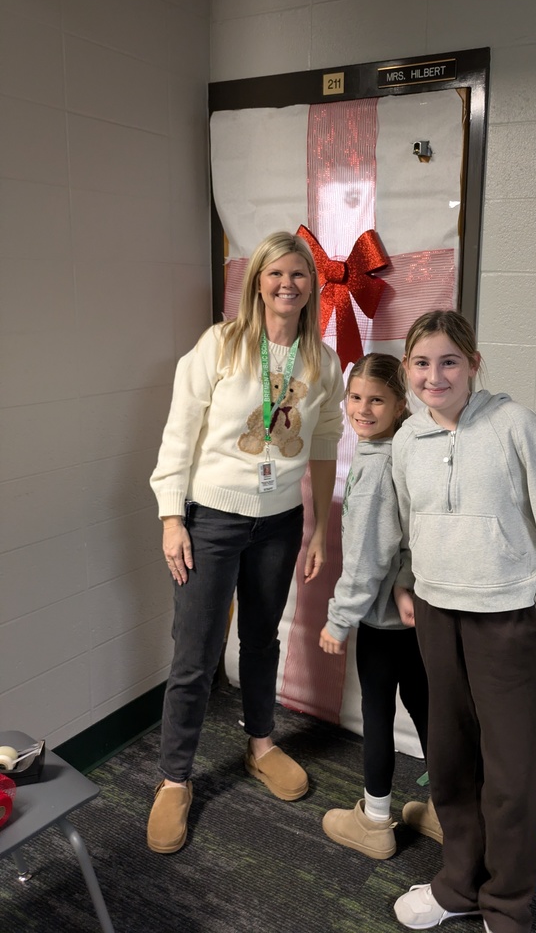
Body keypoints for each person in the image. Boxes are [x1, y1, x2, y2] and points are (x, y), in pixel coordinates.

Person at [391, 310, 536, 933]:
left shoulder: (516, 428)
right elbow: (411, 524)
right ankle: (459, 883)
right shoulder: (407, 440)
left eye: (449, 361)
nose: (436, 376)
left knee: (511, 775)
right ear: (408, 370)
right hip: (437, 618)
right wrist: (410, 583)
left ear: (474, 364)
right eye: (422, 363)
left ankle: (506, 904)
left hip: (507, 621)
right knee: (452, 764)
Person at [147, 231, 344, 854]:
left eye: (300, 276)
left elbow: (322, 446)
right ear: (256, 281)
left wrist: (316, 527)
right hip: (213, 518)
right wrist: (171, 518)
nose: (288, 285)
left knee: (262, 638)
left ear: (313, 287)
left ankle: (260, 743)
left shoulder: (323, 361)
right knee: (196, 652)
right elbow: (179, 436)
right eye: (276, 274)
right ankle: (174, 779)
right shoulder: (221, 347)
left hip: (280, 522)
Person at [318, 353, 441, 860]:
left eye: (376, 400)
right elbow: (417, 534)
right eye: (354, 397)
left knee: (377, 715)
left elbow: (367, 558)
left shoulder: (373, 468)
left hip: (382, 624)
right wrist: (407, 580)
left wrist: (338, 618)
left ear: (399, 403)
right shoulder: (412, 448)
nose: (362, 409)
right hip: (419, 616)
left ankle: (374, 821)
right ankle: (448, 810)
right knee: (428, 710)